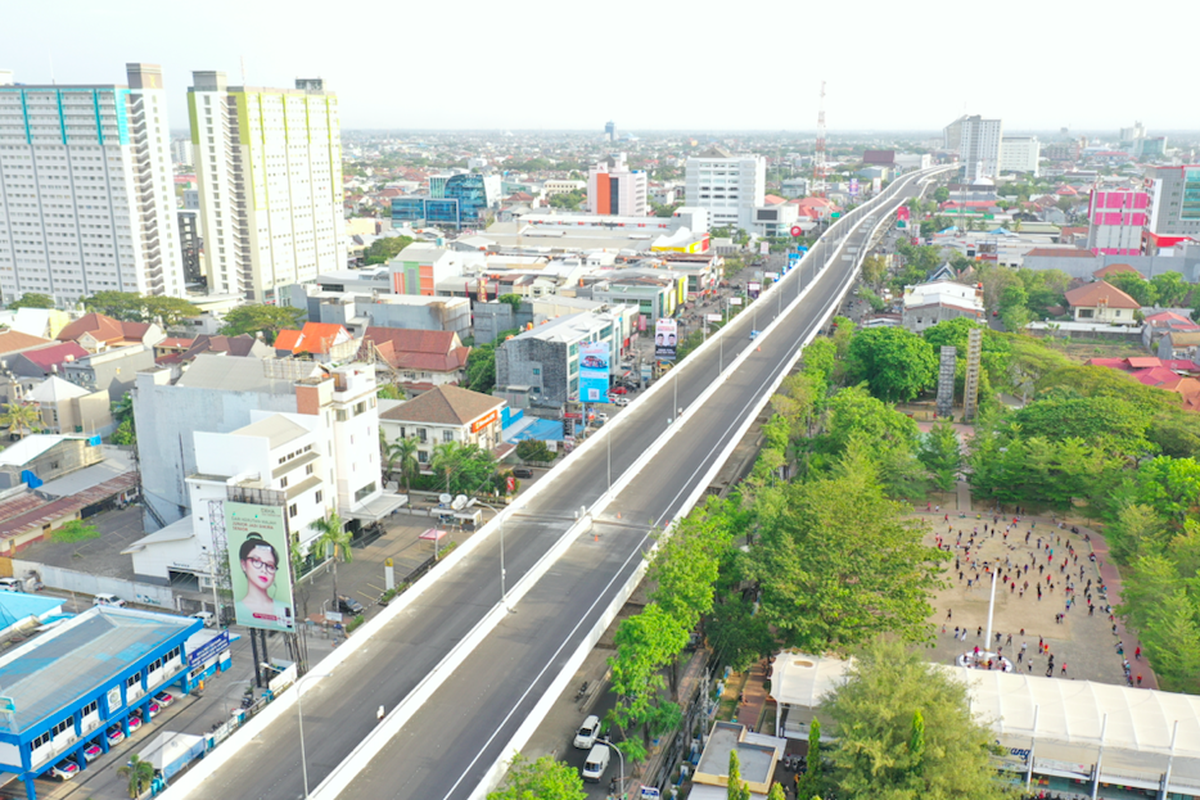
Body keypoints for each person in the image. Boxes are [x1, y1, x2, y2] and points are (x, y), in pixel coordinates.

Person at [235, 532, 293, 630]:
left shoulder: (285, 608)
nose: (264, 570)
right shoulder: (238, 609)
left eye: (270, 566)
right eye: (256, 561)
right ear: (243, 564)